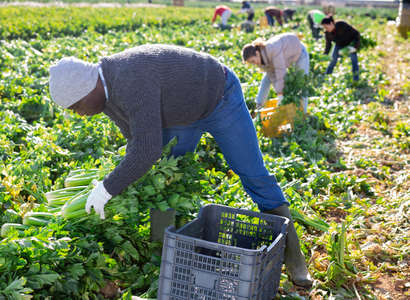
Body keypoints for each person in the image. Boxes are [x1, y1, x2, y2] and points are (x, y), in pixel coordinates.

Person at [48, 44, 312, 287]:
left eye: (76, 105)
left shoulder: (130, 78)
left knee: (252, 172)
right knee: (168, 178)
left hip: (219, 97)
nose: (78, 113)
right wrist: (118, 179)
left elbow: (147, 149)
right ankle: (164, 250)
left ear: (86, 88)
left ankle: (293, 255)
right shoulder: (104, 96)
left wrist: (107, 188)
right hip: (180, 114)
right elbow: (135, 139)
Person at [241, 33, 310, 113]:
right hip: (287, 58)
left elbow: (280, 71)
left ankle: (303, 114)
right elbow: (272, 76)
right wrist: (279, 93)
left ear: (257, 53)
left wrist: (280, 93)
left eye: (253, 61)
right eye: (251, 63)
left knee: (302, 84)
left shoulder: (272, 49)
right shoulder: (262, 61)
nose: (254, 64)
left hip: (299, 52)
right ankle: (258, 106)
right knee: (266, 79)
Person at [321, 16, 360, 81]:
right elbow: (328, 45)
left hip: (350, 45)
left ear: (331, 23)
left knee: (354, 61)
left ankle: (356, 79)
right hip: (339, 45)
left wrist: (355, 47)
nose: (326, 29)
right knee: (333, 60)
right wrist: (324, 55)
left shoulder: (341, 24)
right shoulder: (327, 33)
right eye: (324, 27)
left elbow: (356, 33)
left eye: (326, 27)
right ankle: (326, 76)